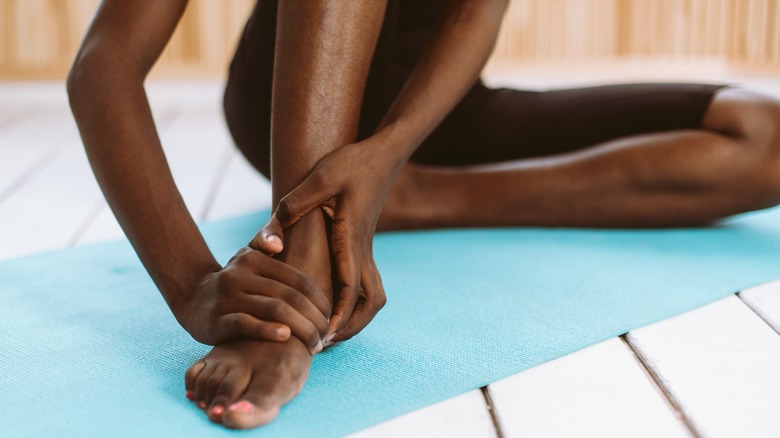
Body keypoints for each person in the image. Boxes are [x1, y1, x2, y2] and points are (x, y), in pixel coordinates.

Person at [67, 0, 780, 430]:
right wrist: (191, 283)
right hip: (284, 102)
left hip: (432, 113)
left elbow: (477, 12)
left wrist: (389, 156)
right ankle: (303, 279)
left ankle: (418, 196)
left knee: (766, 135)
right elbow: (105, 63)